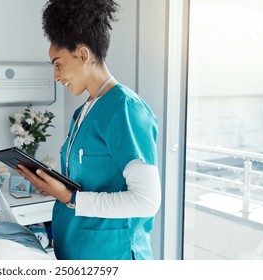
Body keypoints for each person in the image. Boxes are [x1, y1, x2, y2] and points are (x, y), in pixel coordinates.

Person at [16, 0, 161, 260]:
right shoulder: (82, 113)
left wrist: (70, 198)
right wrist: (52, 186)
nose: (56, 76)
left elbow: (146, 201)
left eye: (58, 64)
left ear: (83, 55)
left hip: (111, 255)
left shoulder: (125, 110)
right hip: (76, 250)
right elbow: (88, 182)